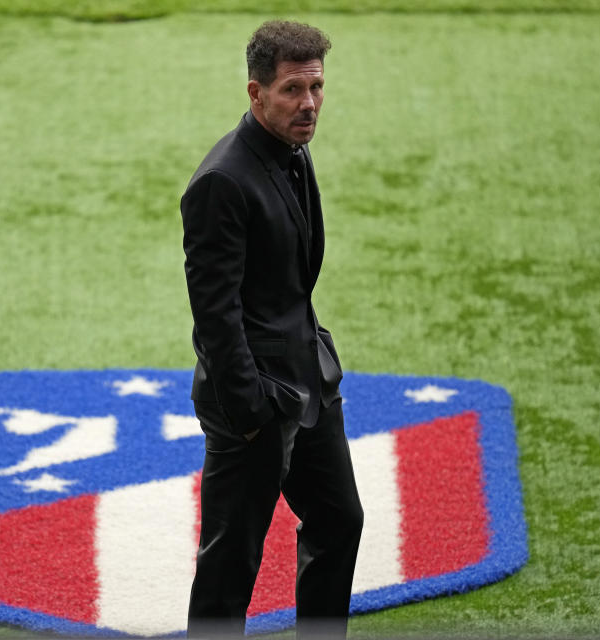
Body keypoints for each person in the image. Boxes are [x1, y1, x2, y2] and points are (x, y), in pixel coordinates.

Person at [180, 20, 364, 639]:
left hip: (310, 383)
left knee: (340, 521)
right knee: (231, 566)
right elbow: (214, 315)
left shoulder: (293, 149)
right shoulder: (220, 183)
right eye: (291, 90)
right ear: (256, 93)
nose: (308, 104)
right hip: (255, 407)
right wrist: (252, 411)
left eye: (316, 87)